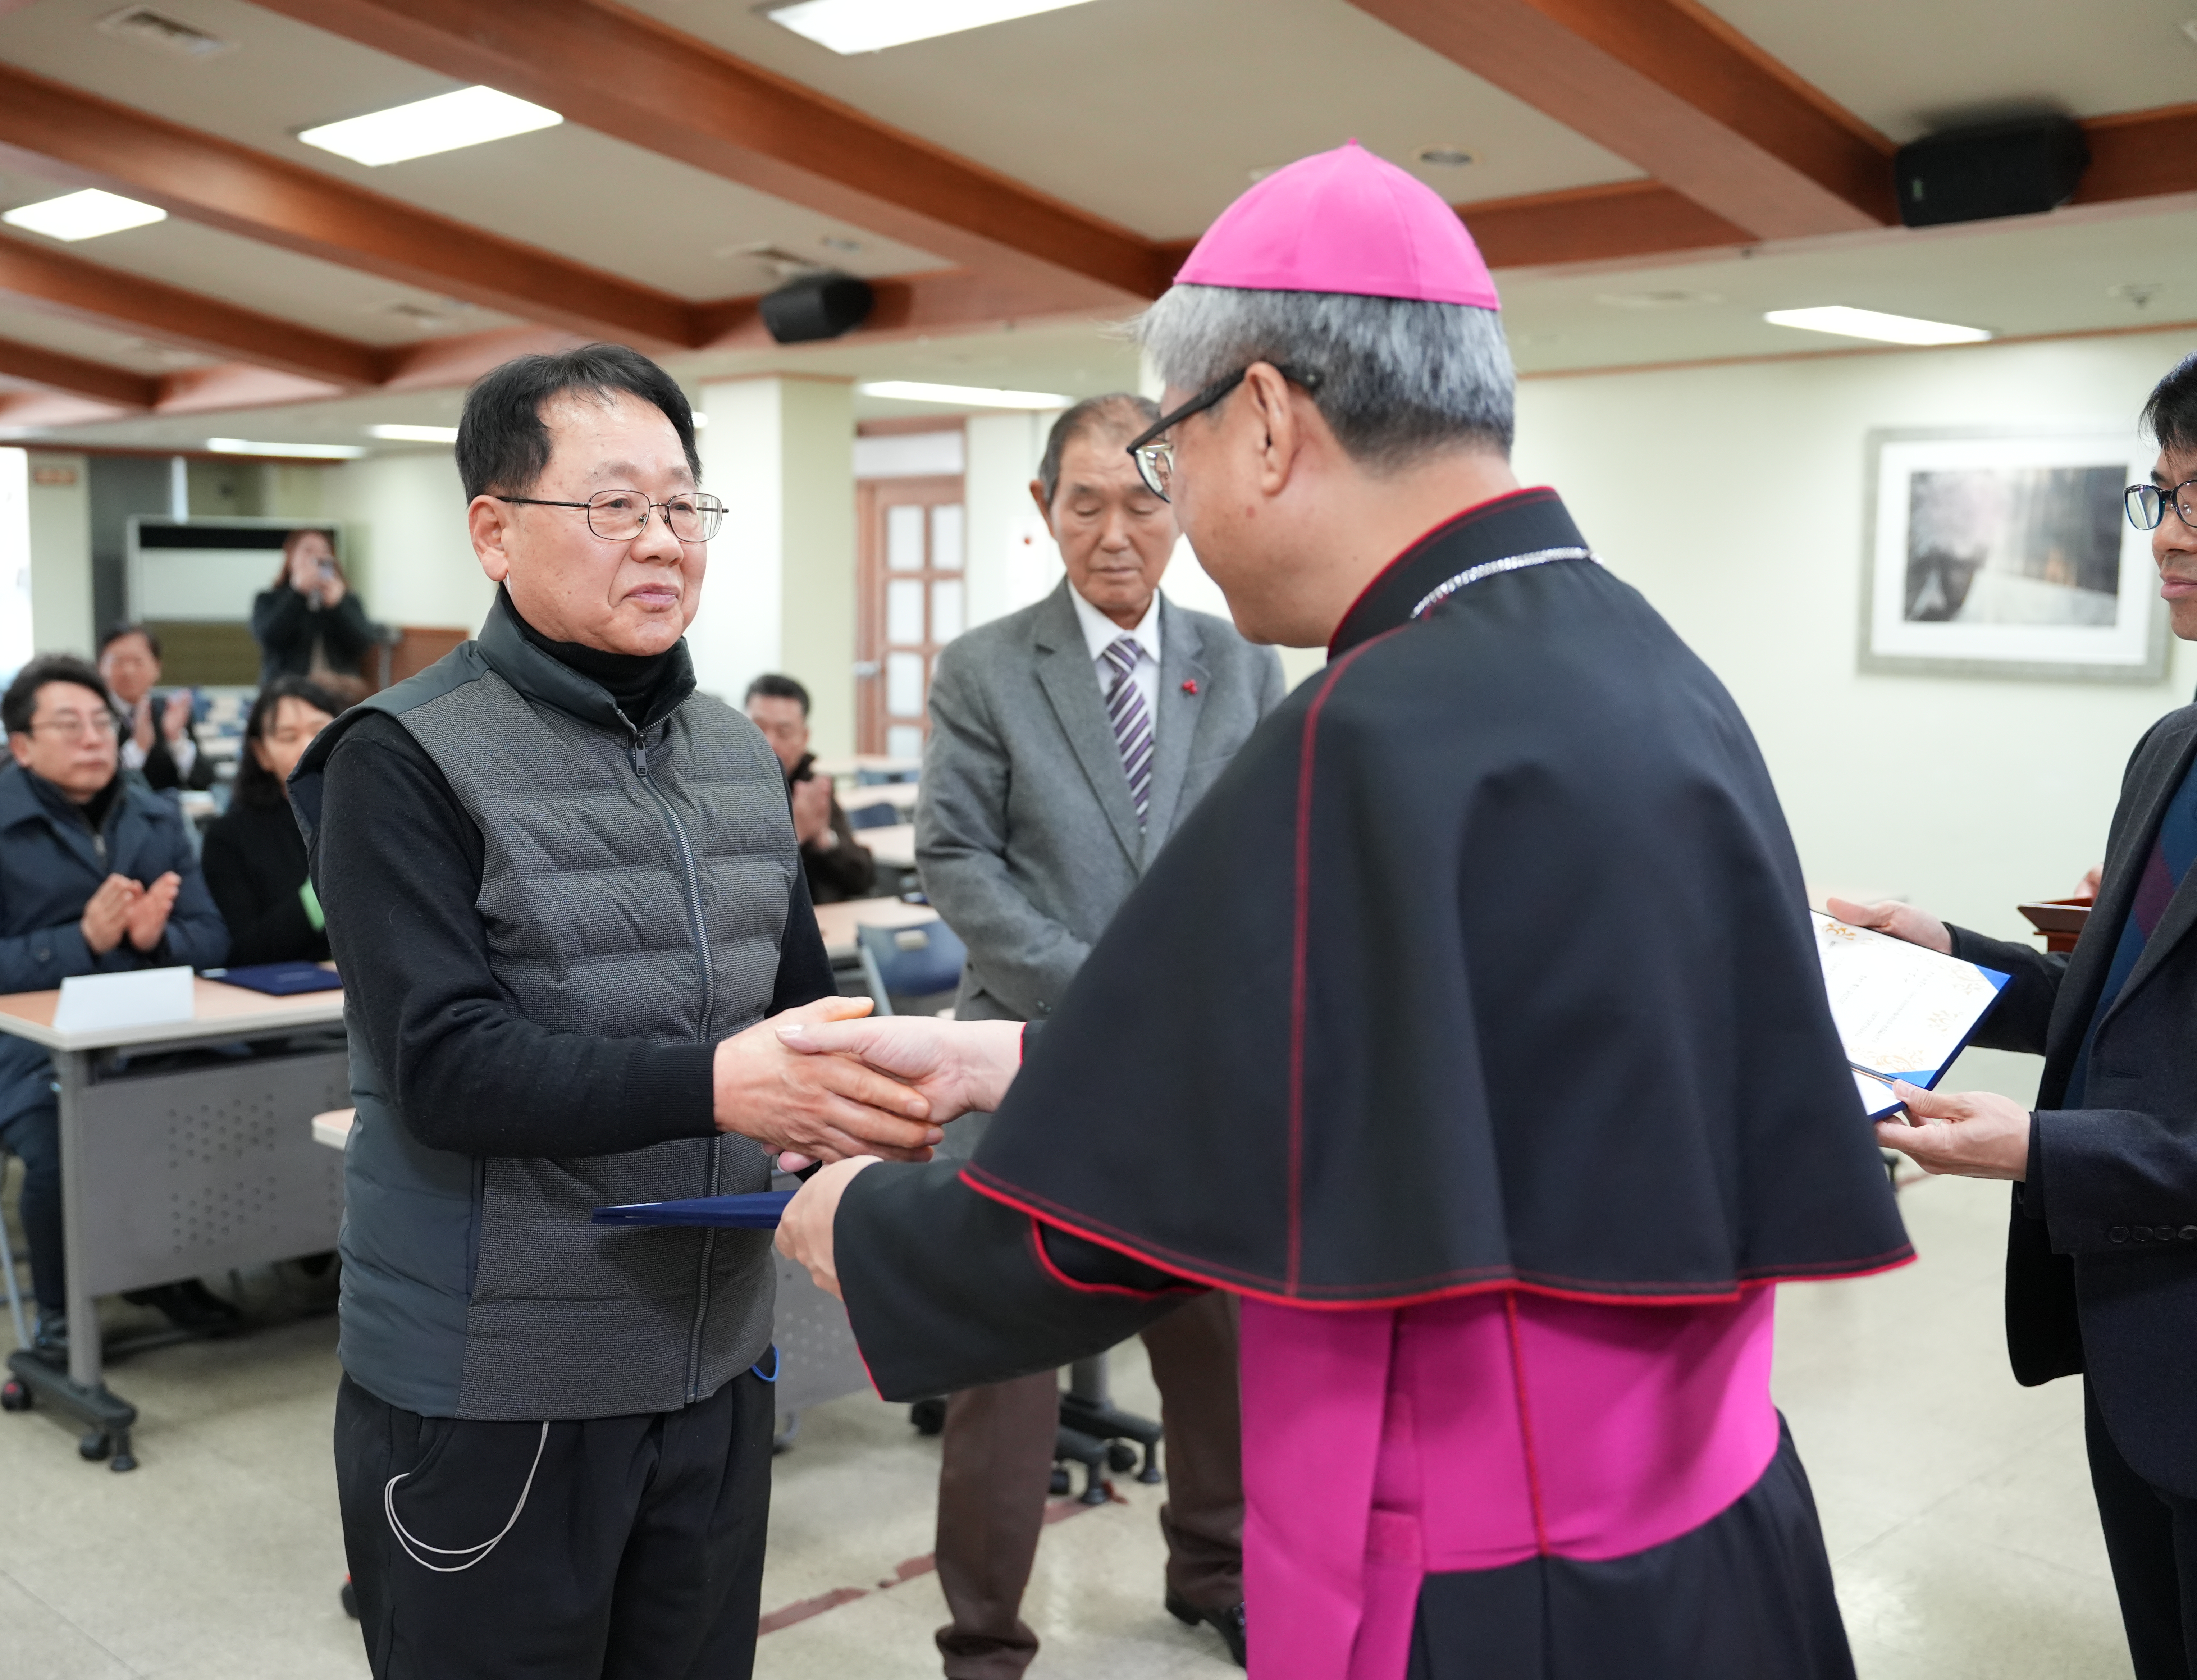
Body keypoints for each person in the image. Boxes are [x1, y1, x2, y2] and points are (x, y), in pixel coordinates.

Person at [772, 142, 1912, 1679]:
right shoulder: (1633, 655)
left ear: (1261, 420)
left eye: (1168, 460)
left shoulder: (1373, 728)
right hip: (1709, 1522)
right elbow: (1390, 1054)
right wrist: (1025, 1061)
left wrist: (847, 1223)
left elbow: (1100, 1232)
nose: (1161, 511)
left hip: (1499, 1573)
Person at [289, 344, 947, 1680]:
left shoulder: (728, 750)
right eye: (614, 506)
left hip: (712, 1361)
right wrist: (724, 1088)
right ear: (495, 530)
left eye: (682, 504)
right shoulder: (397, 759)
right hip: (497, 1380)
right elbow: (444, 1066)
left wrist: (869, 1105)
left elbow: (794, 1008)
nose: (662, 540)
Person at [1828, 351, 2197, 1680]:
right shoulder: (2172, 748)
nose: (2168, 537)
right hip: (2140, 1341)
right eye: (2159, 495)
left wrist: (2040, 1151)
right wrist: (1941, 947)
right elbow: (2109, 1011)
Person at [913, 392, 1284, 1675]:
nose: (1115, 531)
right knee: (1002, 1380)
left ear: (1180, 499)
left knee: (1216, 1345)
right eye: (1086, 502)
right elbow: (955, 856)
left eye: (1141, 498)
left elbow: (1261, 860)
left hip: (1189, 1078)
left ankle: (1214, 1567)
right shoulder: (984, 667)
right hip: (1025, 1069)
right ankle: (983, 1635)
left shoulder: (1241, 659)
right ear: (1042, 510)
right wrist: (1105, 996)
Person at [0, 654, 231, 1350]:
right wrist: (82, 941)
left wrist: (157, 939)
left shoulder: (154, 816)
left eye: (103, 724)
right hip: (27, 1052)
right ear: (22, 745)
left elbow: (213, 935)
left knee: (228, 1093)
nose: (94, 739)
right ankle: (60, 1312)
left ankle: (172, 1272)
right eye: (70, 725)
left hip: (153, 1029)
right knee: (70, 1136)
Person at [201, 675, 341, 967]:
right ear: (262, 754)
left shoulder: (373, 813)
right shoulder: (229, 837)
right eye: (288, 737)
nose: (309, 745)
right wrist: (319, 898)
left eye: (320, 730)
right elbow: (241, 951)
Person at [745, 673, 877, 904]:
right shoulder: (718, 790)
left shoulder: (810, 787)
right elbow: (735, 890)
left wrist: (823, 839)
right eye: (757, 728)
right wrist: (796, 834)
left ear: (805, 738)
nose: (769, 743)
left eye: (784, 732)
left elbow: (862, 879)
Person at [252, 528, 377, 693]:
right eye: (308, 550)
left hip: (337, 692)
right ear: (291, 558)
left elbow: (363, 643)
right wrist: (297, 594)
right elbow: (269, 637)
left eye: (324, 551)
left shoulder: (347, 600)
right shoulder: (269, 599)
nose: (317, 557)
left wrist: (338, 607)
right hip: (286, 691)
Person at [96, 622, 214, 795]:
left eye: (138, 661)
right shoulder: (94, 717)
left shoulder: (170, 712)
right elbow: (97, 786)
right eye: (118, 661)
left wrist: (176, 740)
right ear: (100, 668)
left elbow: (204, 781)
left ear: (157, 669)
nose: (128, 671)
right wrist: (137, 749)